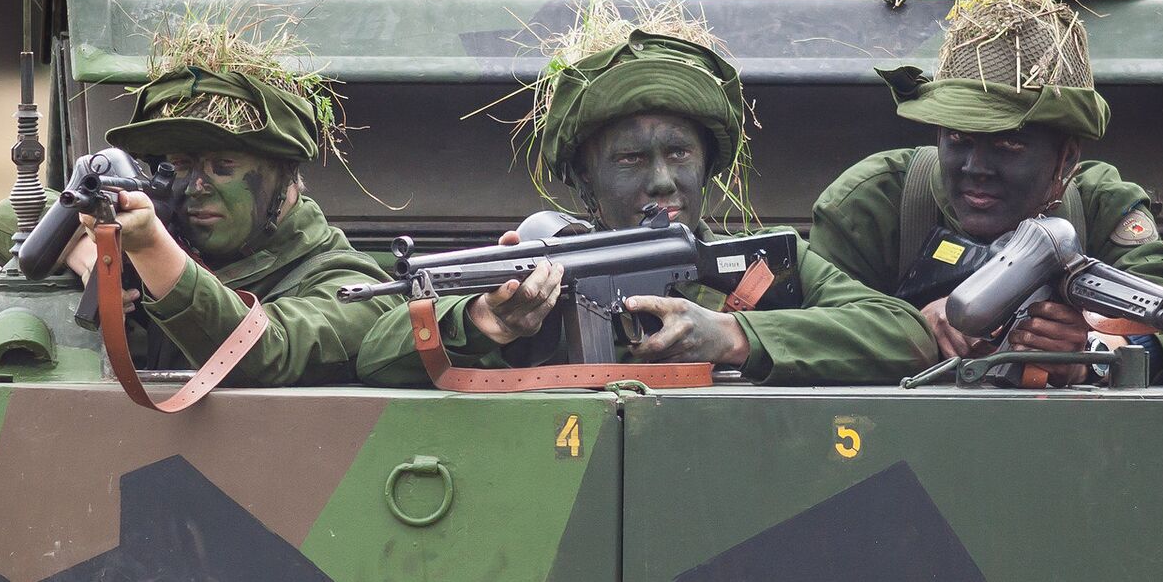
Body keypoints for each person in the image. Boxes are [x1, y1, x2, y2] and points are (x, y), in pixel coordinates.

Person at [355, 28, 935, 386]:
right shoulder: (542, 273)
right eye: (630, 160)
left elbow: (905, 336)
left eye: (679, 153)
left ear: (708, 164)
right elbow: (375, 356)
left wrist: (735, 336)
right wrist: (486, 321)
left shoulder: (770, 262)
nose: (663, 181)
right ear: (584, 181)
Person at [809, 0, 1163, 385]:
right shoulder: (873, 205)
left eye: (1009, 144)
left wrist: (1089, 352)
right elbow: (811, 326)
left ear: (1067, 157)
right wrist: (910, 329)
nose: (976, 167)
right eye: (958, 138)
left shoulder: (1100, 207)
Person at [0, 30, 392, 386]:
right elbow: (5, 218)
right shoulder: (171, 230)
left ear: (285, 178)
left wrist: (150, 248)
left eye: (223, 167)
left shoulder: (354, 286)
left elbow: (268, 351)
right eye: (181, 165)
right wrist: (88, 251)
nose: (196, 187)